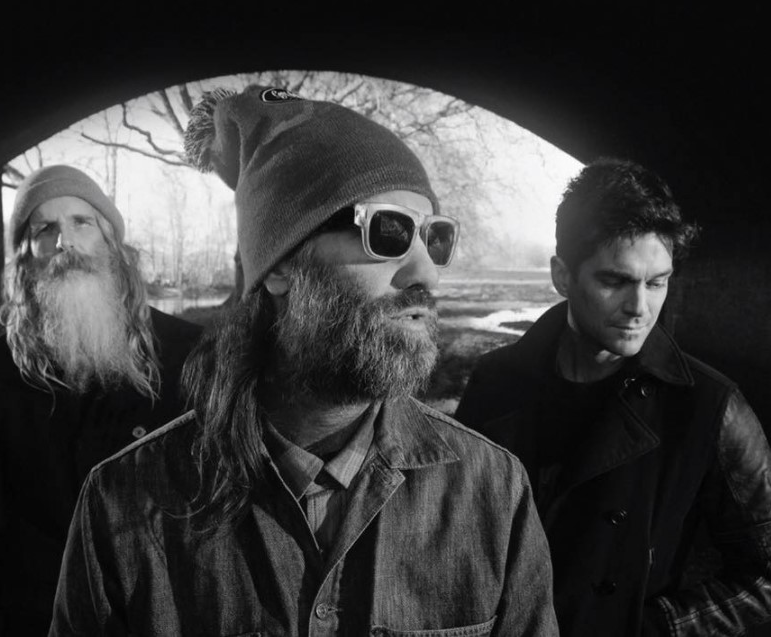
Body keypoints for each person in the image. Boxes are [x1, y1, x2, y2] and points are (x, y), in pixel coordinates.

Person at [49, 85, 558, 636]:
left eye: (435, 239)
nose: (427, 275)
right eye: (388, 232)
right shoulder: (125, 505)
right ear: (281, 266)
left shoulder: (492, 492)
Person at [455, 157, 771, 636]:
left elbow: (764, 577)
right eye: (615, 281)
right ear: (563, 276)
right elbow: (454, 537)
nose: (639, 307)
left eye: (657, 282)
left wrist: (652, 628)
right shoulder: (497, 380)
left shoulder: (709, 406)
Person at [0, 165, 203, 636]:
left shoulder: (190, 354)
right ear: (25, 256)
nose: (65, 243)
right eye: (45, 229)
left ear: (112, 243)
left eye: (82, 222)